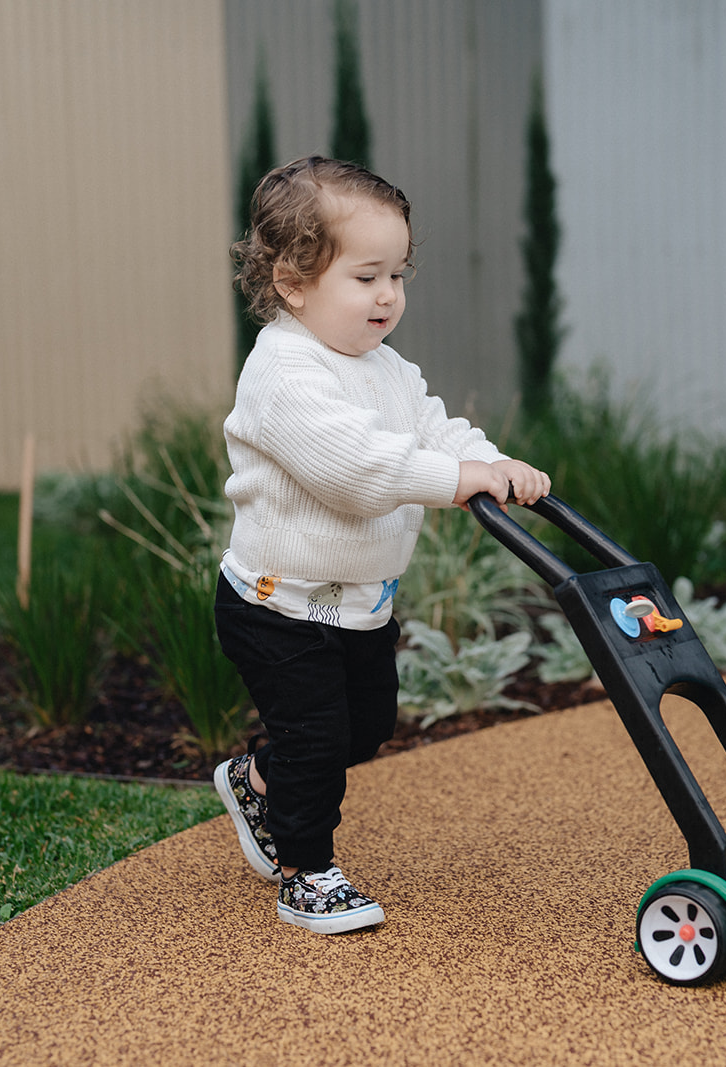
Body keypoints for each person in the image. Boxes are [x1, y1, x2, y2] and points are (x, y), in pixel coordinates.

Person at [212, 156, 551, 934]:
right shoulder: (284, 372)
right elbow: (357, 470)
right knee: (319, 740)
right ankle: (307, 871)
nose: (388, 295)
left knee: (365, 729)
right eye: (366, 277)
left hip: (360, 606)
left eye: (397, 274)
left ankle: (256, 775)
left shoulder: (386, 368)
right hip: (278, 607)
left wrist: (489, 463)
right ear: (293, 282)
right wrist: (453, 477)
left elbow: (432, 428)